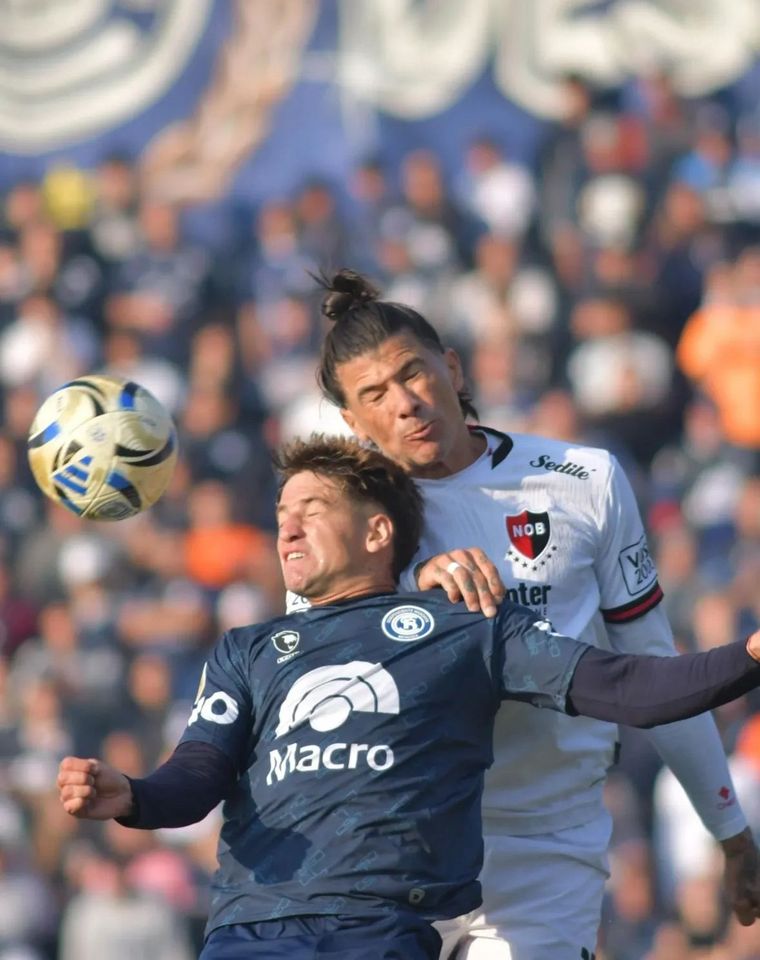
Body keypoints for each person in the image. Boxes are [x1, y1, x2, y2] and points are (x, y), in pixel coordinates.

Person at [57, 435, 760, 960]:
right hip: (251, 925)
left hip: (381, 928)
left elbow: (634, 688)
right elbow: (197, 777)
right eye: (281, 512)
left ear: (377, 531)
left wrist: (752, 656)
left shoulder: (466, 633)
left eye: (312, 508)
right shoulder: (248, 649)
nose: (287, 526)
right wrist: (134, 795)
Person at [297, 269, 760, 960]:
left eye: (413, 374)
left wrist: (730, 830)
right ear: (351, 421)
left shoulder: (584, 480)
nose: (405, 403)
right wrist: (405, 599)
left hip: (545, 844)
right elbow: (308, 685)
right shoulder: (331, 516)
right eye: (374, 394)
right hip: (391, 847)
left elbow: (654, 669)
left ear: (451, 369)